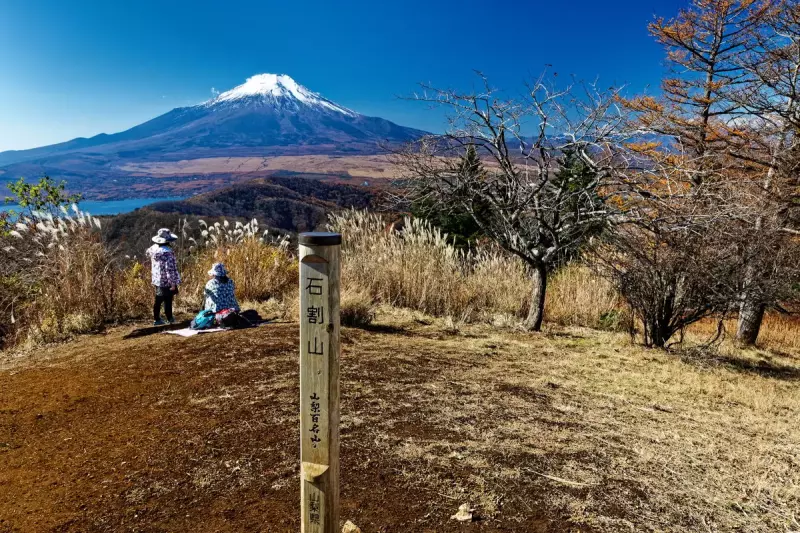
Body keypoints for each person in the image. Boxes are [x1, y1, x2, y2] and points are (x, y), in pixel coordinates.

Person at [145, 228, 181, 325]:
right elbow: (169, 269)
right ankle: (170, 318)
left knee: (158, 299)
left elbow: (147, 253)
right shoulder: (168, 253)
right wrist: (172, 283)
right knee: (168, 300)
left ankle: (157, 319)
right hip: (167, 281)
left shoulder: (153, 249)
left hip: (157, 280)